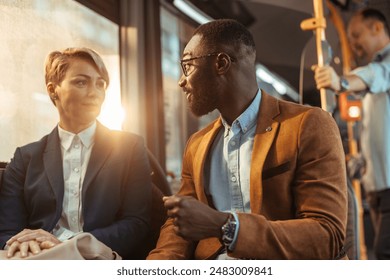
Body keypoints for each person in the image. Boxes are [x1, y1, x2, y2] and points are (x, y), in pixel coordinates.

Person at [147, 19, 348, 260]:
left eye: (187, 65)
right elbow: (178, 228)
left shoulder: (308, 125)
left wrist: (225, 226)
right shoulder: (197, 144)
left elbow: (327, 237)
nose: (182, 80)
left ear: (220, 63)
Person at [0, 47, 152, 259]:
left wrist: (68, 245)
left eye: (100, 84)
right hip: (37, 259)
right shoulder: (25, 158)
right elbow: (7, 230)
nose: (94, 92)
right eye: (81, 82)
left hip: (99, 257)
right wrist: (33, 246)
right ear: (53, 90)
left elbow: (138, 223)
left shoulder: (130, 147)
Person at [314, 8, 390, 259]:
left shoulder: (381, 70)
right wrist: (361, 164)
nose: (353, 43)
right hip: (377, 191)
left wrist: (341, 83)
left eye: (356, 35)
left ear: (377, 28)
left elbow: (375, 75)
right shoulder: (374, 79)